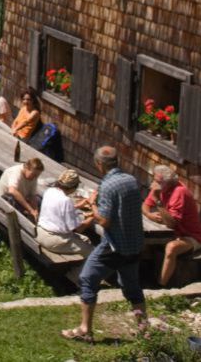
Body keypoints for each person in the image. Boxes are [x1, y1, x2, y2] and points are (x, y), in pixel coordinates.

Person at [64, 146, 148, 343]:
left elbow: (104, 221)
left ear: (99, 164)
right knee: (132, 286)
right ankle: (145, 330)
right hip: (134, 243)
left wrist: (93, 203)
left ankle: (85, 329)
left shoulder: (107, 186)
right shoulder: (131, 180)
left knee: (87, 278)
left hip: (114, 246)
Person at [142, 165, 201, 286]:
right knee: (144, 242)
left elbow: (171, 223)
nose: (153, 184)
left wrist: (158, 202)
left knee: (171, 248)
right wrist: (148, 214)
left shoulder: (179, 192)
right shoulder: (159, 188)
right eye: (154, 179)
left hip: (191, 236)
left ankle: (161, 285)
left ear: (168, 182)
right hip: (172, 232)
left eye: (157, 181)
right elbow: (145, 206)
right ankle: (145, 277)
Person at [37, 169, 95, 256]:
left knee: (85, 239)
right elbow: (78, 229)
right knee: (92, 252)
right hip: (54, 240)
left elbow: (59, 210)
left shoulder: (50, 191)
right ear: (73, 187)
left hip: (40, 232)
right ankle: (76, 269)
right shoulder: (66, 200)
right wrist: (94, 215)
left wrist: (77, 206)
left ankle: (78, 265)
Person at [0, 157, 44, 222]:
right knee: (11, 197)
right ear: (27, 168)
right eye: (34, 174)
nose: (35, 177)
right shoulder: (16, 171)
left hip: (19, 202)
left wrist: (35, 210)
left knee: (39, 200)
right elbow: (12, 191)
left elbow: (32, 195)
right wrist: (31, 210)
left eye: (37, 175)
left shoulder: (33, 177)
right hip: (4, 202)